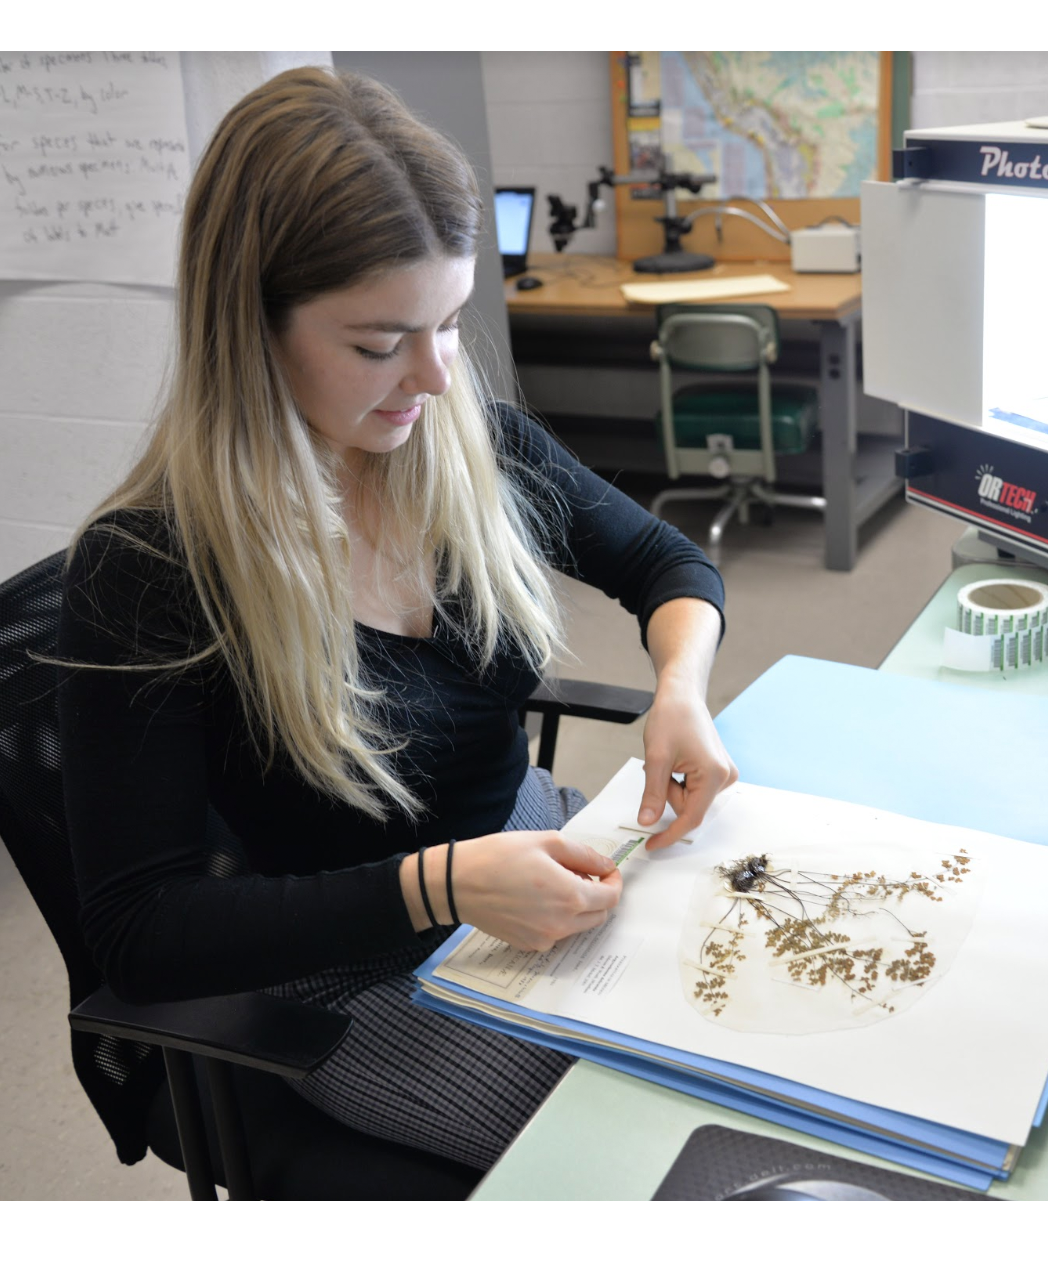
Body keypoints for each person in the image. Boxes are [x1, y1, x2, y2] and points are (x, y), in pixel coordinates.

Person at [56, 65, 737, 1174]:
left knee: (766, 1068)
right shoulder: (150, 569)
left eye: (450, 323)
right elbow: (139, 933)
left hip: (527, 852)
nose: (431, 377)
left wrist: (678, 690)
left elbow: (668, 563)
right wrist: (446, 883)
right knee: (652, 1164)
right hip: (354, 964)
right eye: (378, 342)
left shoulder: (472, 444)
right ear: (252, 327)